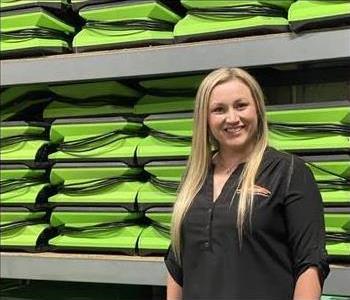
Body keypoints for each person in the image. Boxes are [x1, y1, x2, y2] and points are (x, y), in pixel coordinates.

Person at [164, 67, 329, 300]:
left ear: (258, 110)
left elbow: (310, 265)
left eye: (241, 106)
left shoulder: (289, 172)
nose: (232, 118)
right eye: (219, 109)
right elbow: (177, 264)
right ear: (205, 118)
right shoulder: (194, 178)